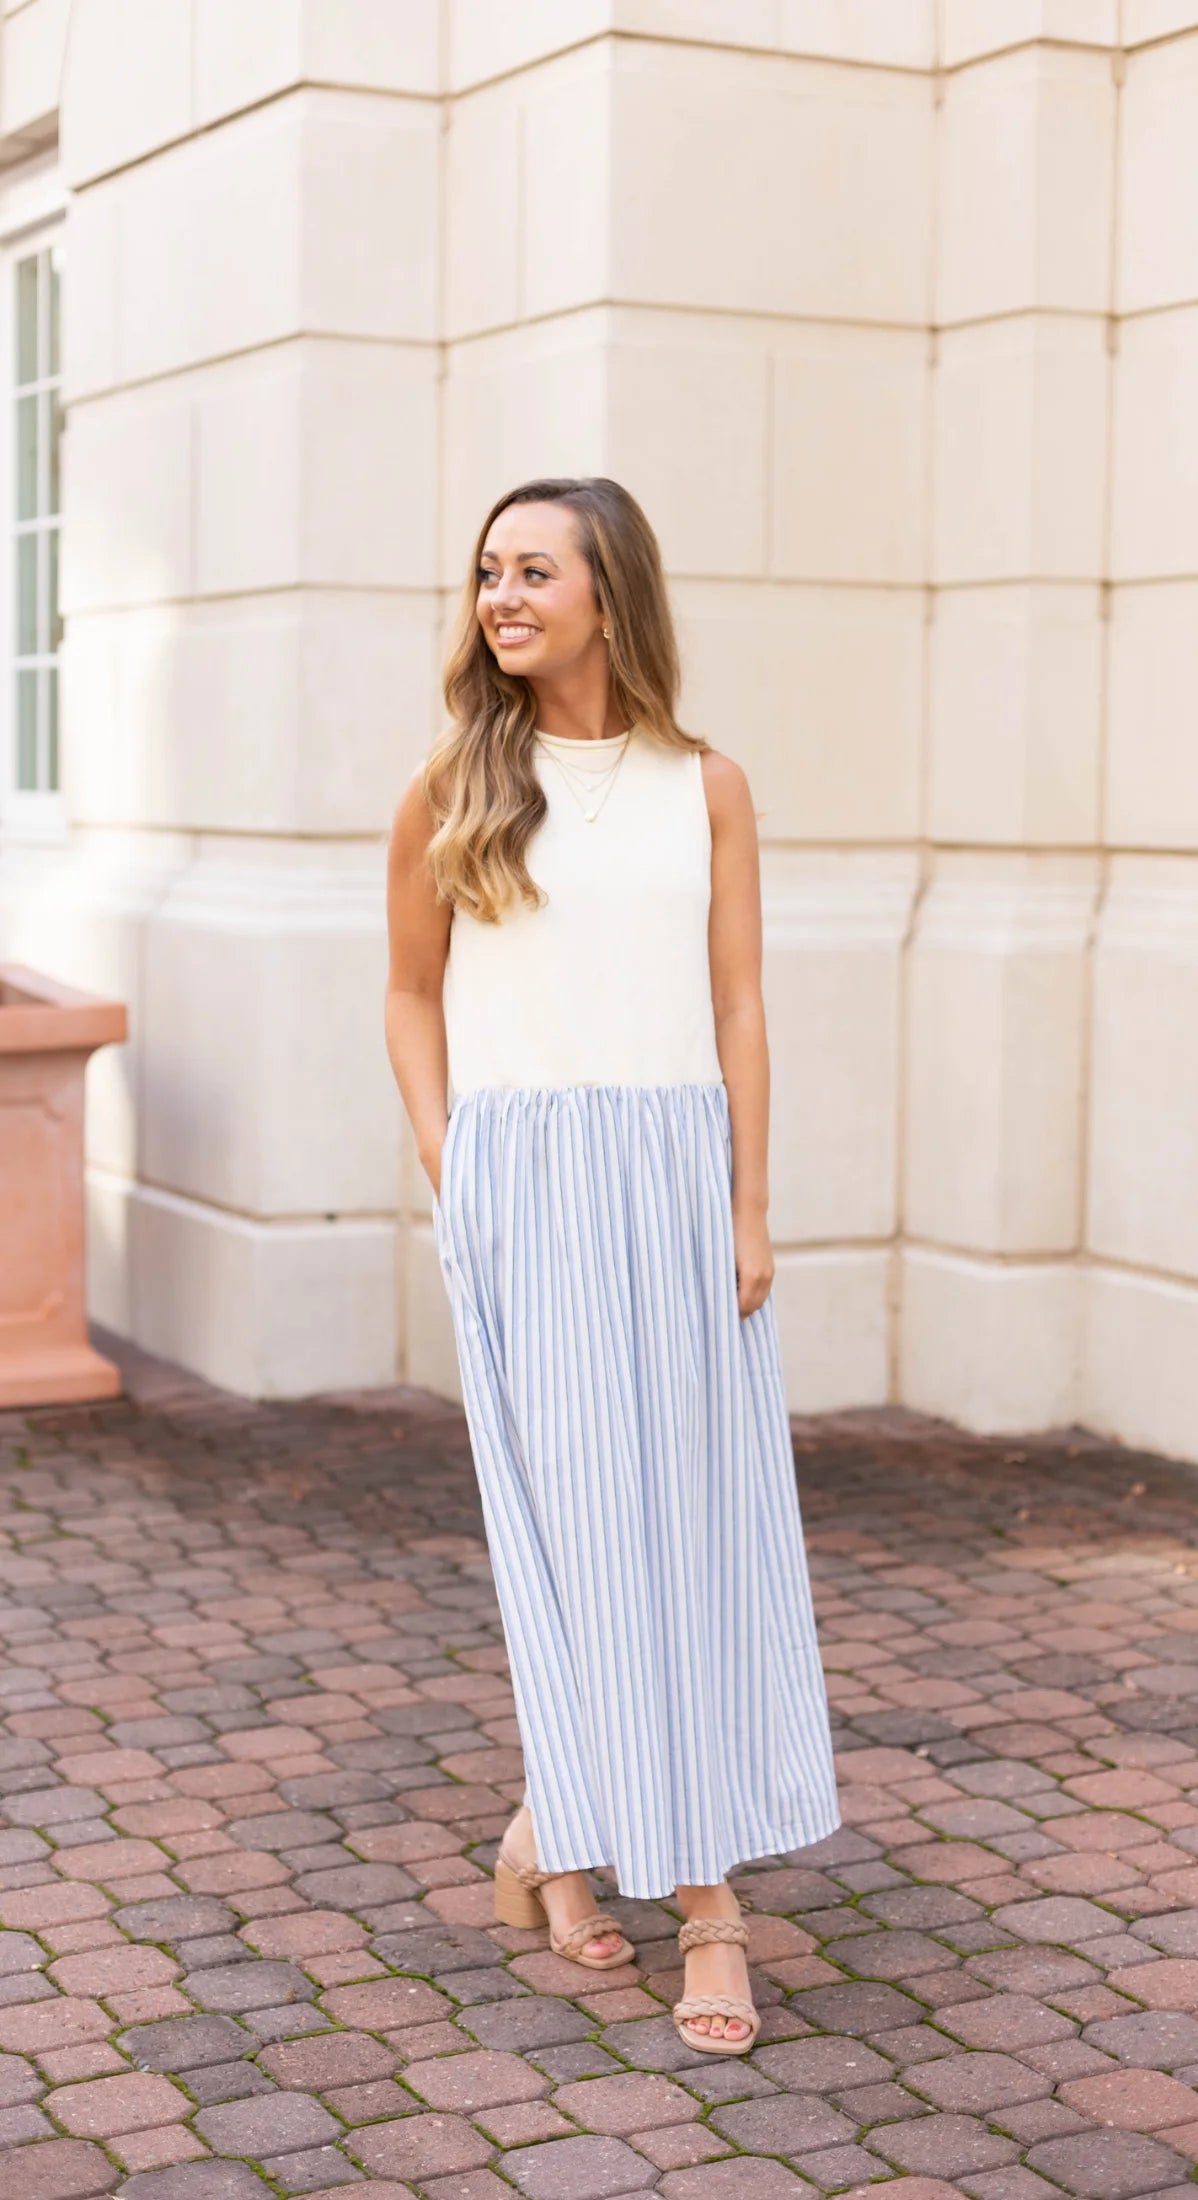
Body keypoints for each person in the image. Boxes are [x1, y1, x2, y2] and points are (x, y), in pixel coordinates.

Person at [384, 476, 839, 2056]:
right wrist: (461, 1172)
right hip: (526, 1188)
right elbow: (408, 996)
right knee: (573, 1540)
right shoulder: (455, 779)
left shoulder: (703, 785)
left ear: (607, 592)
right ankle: (689, 1901)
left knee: (695, 1537)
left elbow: (736, 1010)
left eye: (532, 570)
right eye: (487, 571)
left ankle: (564, 1841)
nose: (499, 595)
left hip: (676, 1179)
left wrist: (750, 1204)